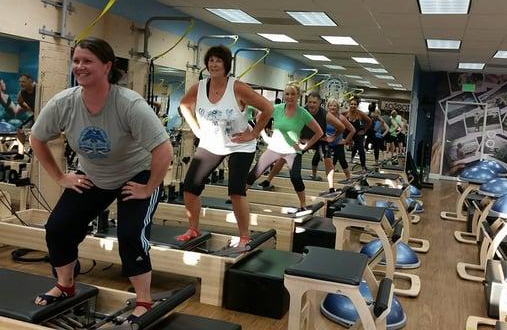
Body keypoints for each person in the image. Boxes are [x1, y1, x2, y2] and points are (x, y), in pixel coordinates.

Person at [30, 38, 173, 322]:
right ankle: (65, 284)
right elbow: (37, 139)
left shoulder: (129, 104)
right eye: (76, 61)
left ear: (107, 66)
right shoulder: (64, 102)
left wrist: (148, 187)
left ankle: (144, 300)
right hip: (93, 174)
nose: (79, 67)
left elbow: (164, 149)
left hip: (136, 173)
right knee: (58, 226)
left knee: (131, 234)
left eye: (88, 61)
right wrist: (60, 177)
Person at [177, 45, 273, 246]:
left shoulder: (237, 87)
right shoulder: (200, 87)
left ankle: (244, 236)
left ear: (226, 65)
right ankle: (193, 228)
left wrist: (254, 133)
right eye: (211, 60)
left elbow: (267, 108)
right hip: (211, 144)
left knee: (236, 190)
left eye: (218, 60)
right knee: (189, 187)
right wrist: (196, 129)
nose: (213, 64)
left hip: (240, 145)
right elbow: (184, 105)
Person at [247, 82, 323, 209]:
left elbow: (319, 132)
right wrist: (264, 136)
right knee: (255, 173)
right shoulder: (276, 108)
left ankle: (303, 204)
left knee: (296, 178)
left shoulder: (303, 113)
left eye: (293, 94)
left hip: (292, 151)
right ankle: (238, 198)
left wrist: (305, 146)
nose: (289, 97)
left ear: (298, 96)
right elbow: (259, 119)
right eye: (287, 94)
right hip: (274, 148)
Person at [303, 91, 345, 193]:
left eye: (314, 102)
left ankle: (331, 187)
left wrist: (332, 137)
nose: (312, 105)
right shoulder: (302, 111)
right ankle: (269, 178)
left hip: (320, 140)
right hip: (305, 139)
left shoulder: (325, 114)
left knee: (328, 161)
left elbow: (341, 127)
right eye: (310, 102)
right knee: (288, 154)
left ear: (319, 103)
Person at [326, 98, 355, 180]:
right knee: (326, 161)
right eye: (331, 106)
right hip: (328, 142)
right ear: (328, 107)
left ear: (337, 108)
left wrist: (345, 141)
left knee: (342, 160)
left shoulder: (341, 117)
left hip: (338, 143)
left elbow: (352, 130)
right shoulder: (325, 116)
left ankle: (348, 177)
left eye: (334, 106)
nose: (332, 107)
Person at [343, 96, 372, 172]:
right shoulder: (345, 113)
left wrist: (364, 130)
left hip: (358, 134)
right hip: (347, 133)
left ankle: (363, 167)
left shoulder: (360, 114)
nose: (353, 106)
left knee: (360, 149)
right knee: (338, 146)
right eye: (351, 104)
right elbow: (336, 118)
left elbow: (369, 121)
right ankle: (334, 165)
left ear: (357, 105)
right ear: (349, 105)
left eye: (355, 104)